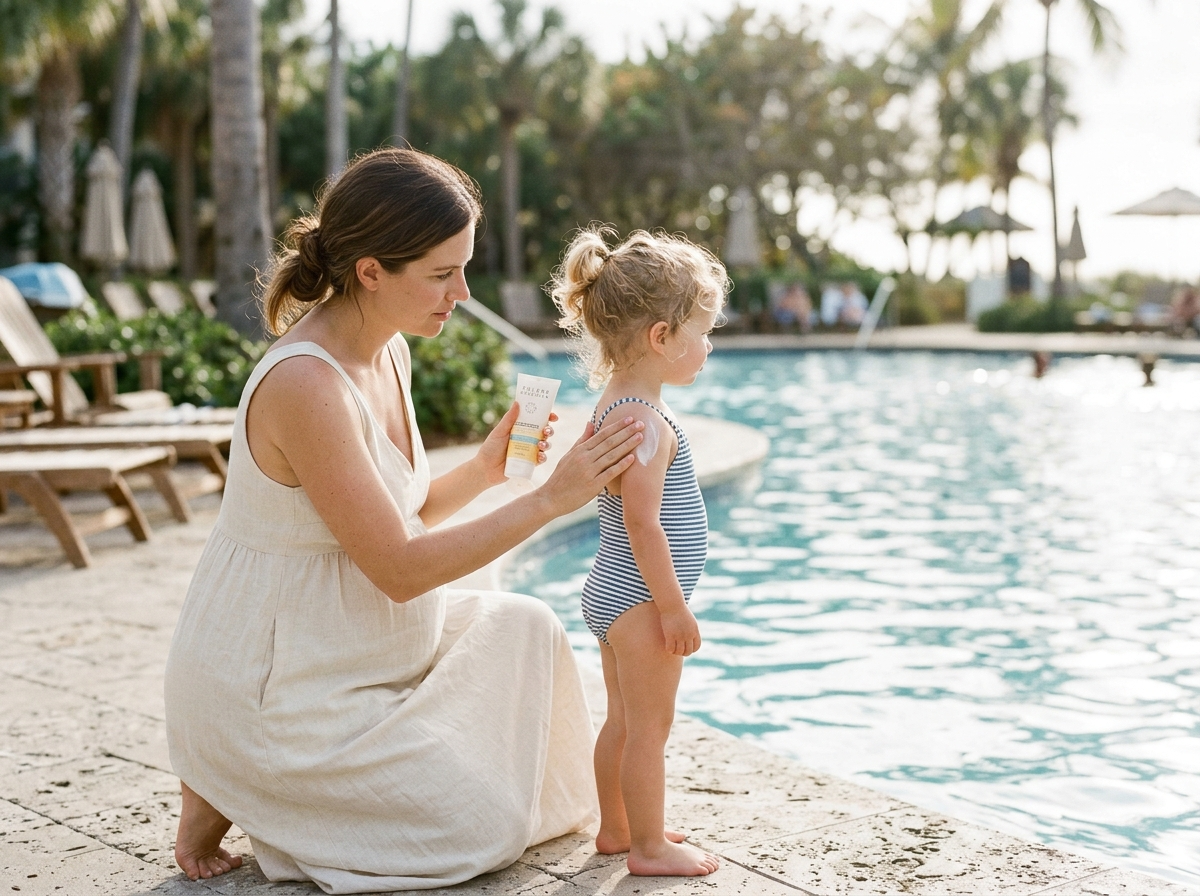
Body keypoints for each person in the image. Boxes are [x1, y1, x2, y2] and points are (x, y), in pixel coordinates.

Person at [162, 149, 646, 892]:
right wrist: (551, 498)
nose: (462, 291)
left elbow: (399, 513)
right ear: (370, 272)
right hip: (282, 683)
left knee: (528, 629)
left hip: (352, 644)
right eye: (443, 272)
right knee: (475, 826)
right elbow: (397, 568)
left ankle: (273, 789)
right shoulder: (305, 385)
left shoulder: (388, 350)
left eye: (464, 267)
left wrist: (486, 467)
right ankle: (228, 779)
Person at [549, 227, 725, 878]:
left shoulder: (618, 405)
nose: (707, 346)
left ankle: (619, 828)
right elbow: (645, 525)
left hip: (610, 592)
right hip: (643, 599)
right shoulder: (647, 423)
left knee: (622, 720)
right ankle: (648, 847)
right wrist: (673, 609)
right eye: (702, 331)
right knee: (649, 726)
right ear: (661, 337)